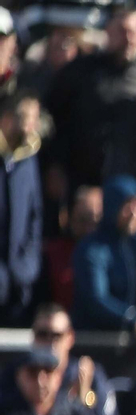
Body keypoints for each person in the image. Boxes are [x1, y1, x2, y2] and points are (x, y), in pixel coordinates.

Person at [43, 5, 136, 194]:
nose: (130, 39)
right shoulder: (79, 72)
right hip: (77, 184)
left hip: (127, 191)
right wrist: (54, 166)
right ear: (107, 31)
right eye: (123, 31)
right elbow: (53, 118)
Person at [68, 176, 136, 352]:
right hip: (96, 344)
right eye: (128, 204)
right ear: (113, 206)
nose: (134, 212)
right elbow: (96, 298)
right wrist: (134, 319)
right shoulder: (91, 248)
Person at [0, 94, 42, 327]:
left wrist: (29, 264)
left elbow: (35, 215)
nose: (30, 125)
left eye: (34, 118)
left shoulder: (29, 159)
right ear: (6, 119)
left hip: (20, 280)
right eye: (24, 117)